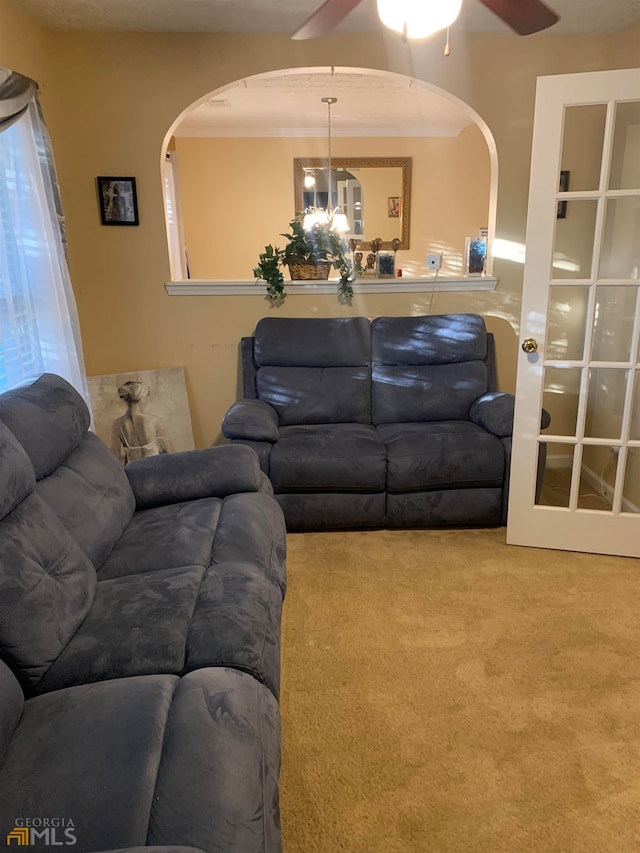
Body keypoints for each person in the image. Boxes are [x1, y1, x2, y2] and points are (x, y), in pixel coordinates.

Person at [110, 379, 172, 464]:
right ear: (142, 398)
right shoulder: (154, 421)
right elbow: (169, 453)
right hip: (155, 470)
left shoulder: (118, 425)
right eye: (146, 397)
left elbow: (115, 457)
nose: (147, 400)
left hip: (135, 472)